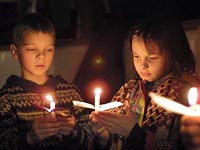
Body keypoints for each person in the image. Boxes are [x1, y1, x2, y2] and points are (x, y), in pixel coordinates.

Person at [89, 16, 200, 150]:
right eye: (136, 56)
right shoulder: (128, 90)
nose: (142, 65)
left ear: (172, 54)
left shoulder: (184, 91)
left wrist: (134, 133)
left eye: (152, 58)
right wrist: (103, 139)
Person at [0, 13, 93, 150]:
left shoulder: (70, 93)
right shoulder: (7, 99)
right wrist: (30, 137)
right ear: (15, 52)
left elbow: (90, 138)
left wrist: (73, 132)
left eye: (48, 49)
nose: (41, 56)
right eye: (32, 49)